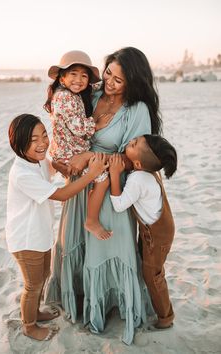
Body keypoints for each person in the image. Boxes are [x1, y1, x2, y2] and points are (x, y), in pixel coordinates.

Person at [45, 47, 163, 345]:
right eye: (108, 73)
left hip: (112, 185)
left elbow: (132, 158)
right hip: (80, 182)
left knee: (107, 247)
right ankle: (81, 300)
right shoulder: (91, 94)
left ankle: (110, 304)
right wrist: (64, 159)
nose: (109, 83)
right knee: (74, 244)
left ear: (133, 83)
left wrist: (89, 156)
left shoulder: (136, 111)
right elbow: (64, 123)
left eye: (119, 80)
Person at [6, 113, 108, 341]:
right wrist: (91, 174)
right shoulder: (21, 173)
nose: (42, 143)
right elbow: (61, 195)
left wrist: (62, 168)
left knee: (43, 274)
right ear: (18, 144)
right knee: (32, 285)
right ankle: (29, 326)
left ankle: (37, 312)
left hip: (39, 234)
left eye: (44, 135)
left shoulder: (37, 160)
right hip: (25, 239)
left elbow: (51, 165)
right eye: (33, 140)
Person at [109, 134, 177, 330]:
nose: (130, 141)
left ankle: (166, 318)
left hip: (156, 236)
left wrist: (114, 174)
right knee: (151, 269)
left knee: (153, 275)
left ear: (137, 163)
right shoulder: (149, 170)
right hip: (159, 228)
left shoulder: (139, 178)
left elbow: (120, 205)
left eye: (134, 144)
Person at [44, 50, 113, 240]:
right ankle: (91, 220)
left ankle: (83, 204)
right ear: (62, 77)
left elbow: (97, 85)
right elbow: (76, 127)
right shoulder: (64, 97)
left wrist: (108, 81)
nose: (79, 79)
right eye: (73, 74)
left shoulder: (74, 93)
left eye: (84, 75)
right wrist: (97, 124)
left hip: (69, 149)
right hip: (69, 153)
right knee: (103, 178)